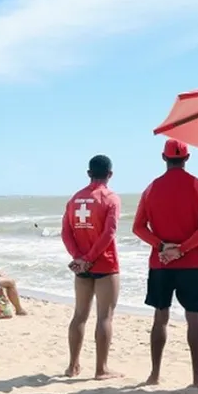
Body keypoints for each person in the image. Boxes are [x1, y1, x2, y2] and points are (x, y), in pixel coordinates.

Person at [132, 139, 198, 388]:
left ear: (163, 158)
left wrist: (161, 246)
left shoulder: (151, 189)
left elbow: (138, 227)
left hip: (161, 263)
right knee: (194, 317)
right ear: (187, 158)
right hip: (194, 263)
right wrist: (182, 249)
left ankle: (154, 374)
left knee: (160, 317)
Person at [61, 154, 121, 379]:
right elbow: (109, 233)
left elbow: (66, 232)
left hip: (81, 267)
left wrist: (79, 257)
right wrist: (90, 257)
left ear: (88, 173)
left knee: (79, 315)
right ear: (110, 174)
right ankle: (101, 369)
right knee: (104, 317)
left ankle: (72, 366)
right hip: (104, 262)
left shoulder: (75, 199)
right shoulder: (111, 198)